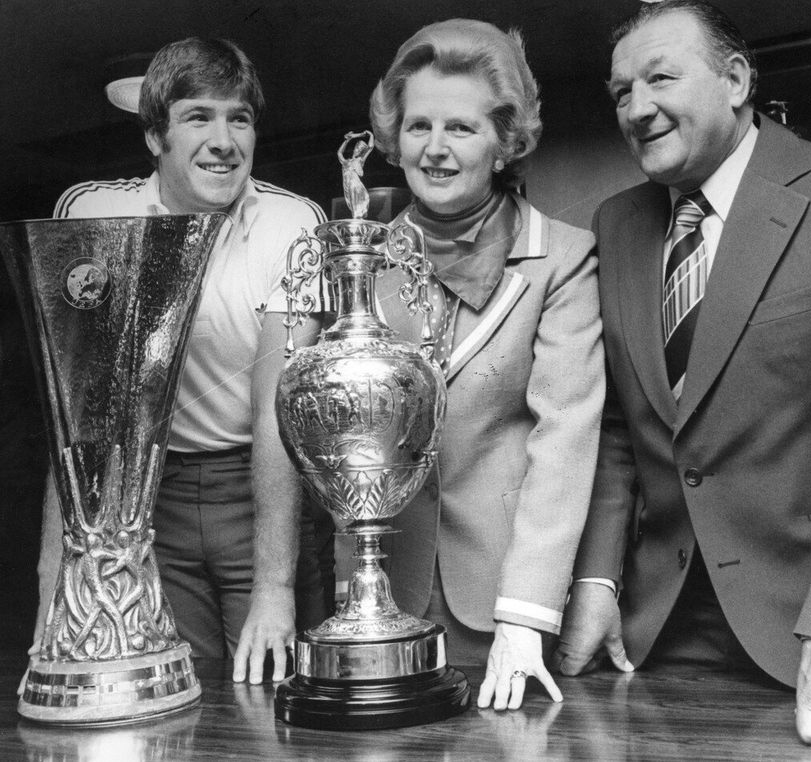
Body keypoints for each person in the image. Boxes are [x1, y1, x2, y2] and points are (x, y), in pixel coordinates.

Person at [554, 0, 811, 751]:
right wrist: (597, 582)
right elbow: (618, 429)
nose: (636, 109)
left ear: (736, 80)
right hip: (661, 642)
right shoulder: (616, 223)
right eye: (619, 93)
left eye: (660, 78)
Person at [32, 37, 334, 685]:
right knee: (175, 699)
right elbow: (77, 414)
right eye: (199, 116)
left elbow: (276, 408)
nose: (224, 139)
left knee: (280, 691)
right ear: (154, 136)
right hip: (145, 499)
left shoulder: (293, 224)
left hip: (260, 493)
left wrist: (275, 590)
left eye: (240, 117)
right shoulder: (92, 212)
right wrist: (54, 579)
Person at [365, 18, 604, 711]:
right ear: (394, 137)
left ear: (505, 143)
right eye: (418, 127)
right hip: (376, 592)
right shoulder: (355, 261)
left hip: (502, 604)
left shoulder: (562, 256)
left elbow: (565, 440)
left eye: (462, 130)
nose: (435, 150)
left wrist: (526, 616)